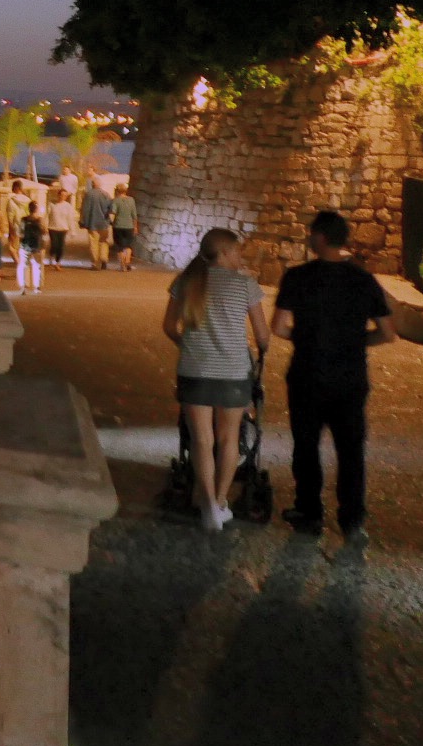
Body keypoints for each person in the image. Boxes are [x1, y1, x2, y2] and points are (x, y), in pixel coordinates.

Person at [272, 210, 398, 540]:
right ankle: (353, 520)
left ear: (321, 238)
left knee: (306, 446)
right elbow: (387, 332)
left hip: (307, 375)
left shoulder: (297, 277)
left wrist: (305, 338)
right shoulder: (363, 280)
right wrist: (356, 341)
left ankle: (309, 512)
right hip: (350, 379)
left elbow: (279, 326)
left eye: (312, 232)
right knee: (351, 449)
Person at [163, 227, 269, 531]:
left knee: (201, 439)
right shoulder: (245, 285)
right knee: (227, 439)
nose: (240, 256)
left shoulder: (185, 281)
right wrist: (261, 349)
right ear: (223, 253)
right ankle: (220, 502)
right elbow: (262, 336)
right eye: (236, 251)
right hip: (233, 373)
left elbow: (169, 326)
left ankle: (206, 501)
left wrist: (190, 347)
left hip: (194, 371)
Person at [79, 177, 115, 269]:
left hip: (92, 223)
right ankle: (104, 259)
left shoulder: (88, 194)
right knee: (103, 242)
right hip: (104, 223)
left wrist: (83, 221)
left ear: (92, 184)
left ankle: (95, 262)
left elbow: (85, 209)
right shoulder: (106, 194)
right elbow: (111, 209)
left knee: (93, 242)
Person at [16, 200, 46, 294]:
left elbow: (19, 232)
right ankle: (37, 287)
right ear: (36, 209)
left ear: (28, 209)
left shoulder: (23, 220)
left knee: (24, 266)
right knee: (38, 267)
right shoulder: (40, 220)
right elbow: (44, 231)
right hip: (37, 245)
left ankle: (24, 287)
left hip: (25, 245)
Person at [46, 187, 78, 267]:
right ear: (58, 195)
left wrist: (72, 231)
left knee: (61, 246)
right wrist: (45, 226)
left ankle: (58, 262)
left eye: (65, 195)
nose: (63, 197)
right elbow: (47, 216)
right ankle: (51, 256)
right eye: (62, 195)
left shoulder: (68, 206)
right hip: (52, 227)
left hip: (63, 228)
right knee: (54, 244)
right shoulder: (52, 204)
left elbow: (70, 219)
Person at [110, 183, 139, 270]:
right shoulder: (131, 200)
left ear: (117, 191)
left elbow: (113, 213)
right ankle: (127, 261)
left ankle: (122, 265)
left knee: (120, 246)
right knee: (128, 245)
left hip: (118, 226)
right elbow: (134, 215)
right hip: (129, 226)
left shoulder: (116, 200)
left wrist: (111, 222)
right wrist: (135, 226)